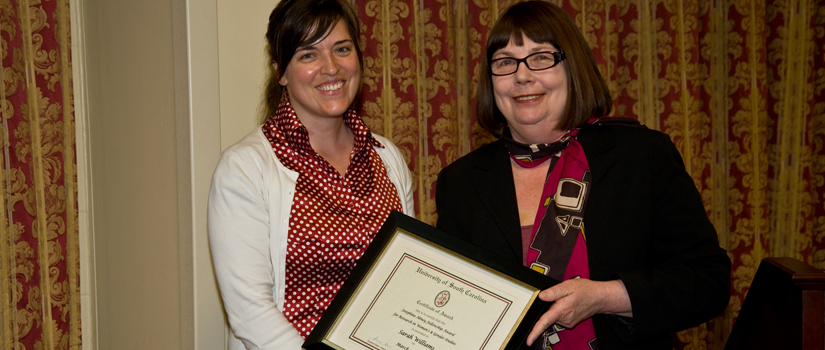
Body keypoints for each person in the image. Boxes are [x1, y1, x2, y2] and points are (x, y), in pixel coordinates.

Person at [435, 1, 730, 349]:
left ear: (571, 66)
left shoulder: (641, 156)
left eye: (541, 57)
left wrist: (607, 296)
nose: (522, 75)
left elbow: (709, 282)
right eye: (505, 62)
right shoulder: (460, 182)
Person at [207, 0, 414, 348]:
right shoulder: (245, 169)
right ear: (281, 71)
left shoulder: (387, 158)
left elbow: (407, 280)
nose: (330, 68)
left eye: (342, 49)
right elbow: (249, 311)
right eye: (308, 55)